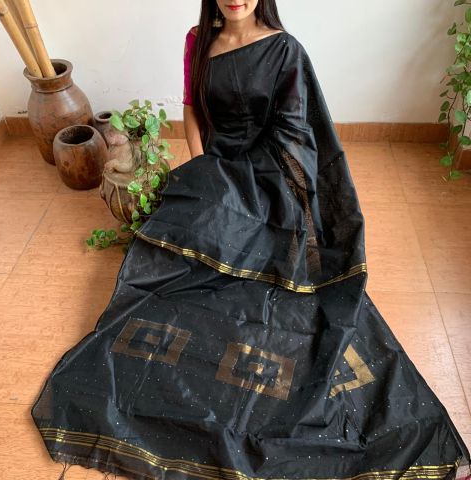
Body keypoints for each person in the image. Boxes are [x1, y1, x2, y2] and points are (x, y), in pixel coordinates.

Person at [31, 1, 471, 479]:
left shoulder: (284, 50)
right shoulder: (198, 40)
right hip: (218, 168)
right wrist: (206, 169)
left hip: (272, 179)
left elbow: (297, 134)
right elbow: (192, 109)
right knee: (167, 261)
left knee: (281, 282)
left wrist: (253, 185)